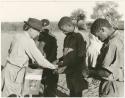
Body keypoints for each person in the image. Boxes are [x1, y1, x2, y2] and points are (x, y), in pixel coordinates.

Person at [1, 18, 58, 97]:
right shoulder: (29, 40)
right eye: (38, 31)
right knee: (13, 94)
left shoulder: (18, 36)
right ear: (31, 29)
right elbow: (40, 60)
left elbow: (9, 51)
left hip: (10, 68)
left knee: (9, 92)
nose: (38, 34)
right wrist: (53, 66)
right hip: (18, 71)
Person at [89, 18, 124, 97]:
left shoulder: (113, 43)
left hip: (112, 88)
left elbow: (106, 73)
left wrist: (89, 72)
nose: (98, 39)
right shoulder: (120, 38)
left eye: (98, 36)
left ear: (102, 29)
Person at [58, 16, 88, 97]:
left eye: (64, 30)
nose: (63, 32)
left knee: (77, 91)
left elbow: (81, 56)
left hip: (77, 69)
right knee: (71, 89)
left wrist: (65, 67)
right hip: (69, 70)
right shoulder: (67, 38)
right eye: (61, 31)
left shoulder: (79, 36)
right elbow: (66, 53)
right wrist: (59, 60)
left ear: (70, 26)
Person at [38, 28, 58, 97]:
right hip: (47, 64)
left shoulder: (39, 38)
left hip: (43, 65)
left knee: (35, 90)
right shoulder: (52, 38)